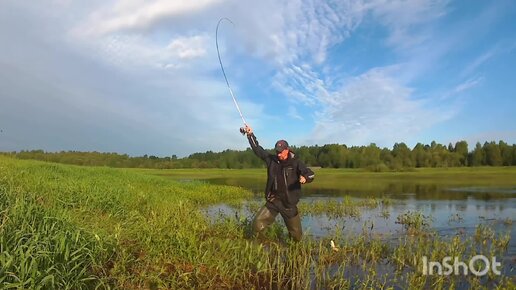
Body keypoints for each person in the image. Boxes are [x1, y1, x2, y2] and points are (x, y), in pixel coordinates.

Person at [243, 124, 314, 242]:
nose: (278, 154)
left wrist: (305, 178)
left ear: (287, 150)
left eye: (281, 152)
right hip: (274, 200)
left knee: (296, 237)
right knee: (257, 225)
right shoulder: (272, 160)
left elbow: (311, 174)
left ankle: (295, 253)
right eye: (277, 151)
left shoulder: (296, 162)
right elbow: (258, 150)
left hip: (288, 204)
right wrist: (250, 135)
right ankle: (265, 246)